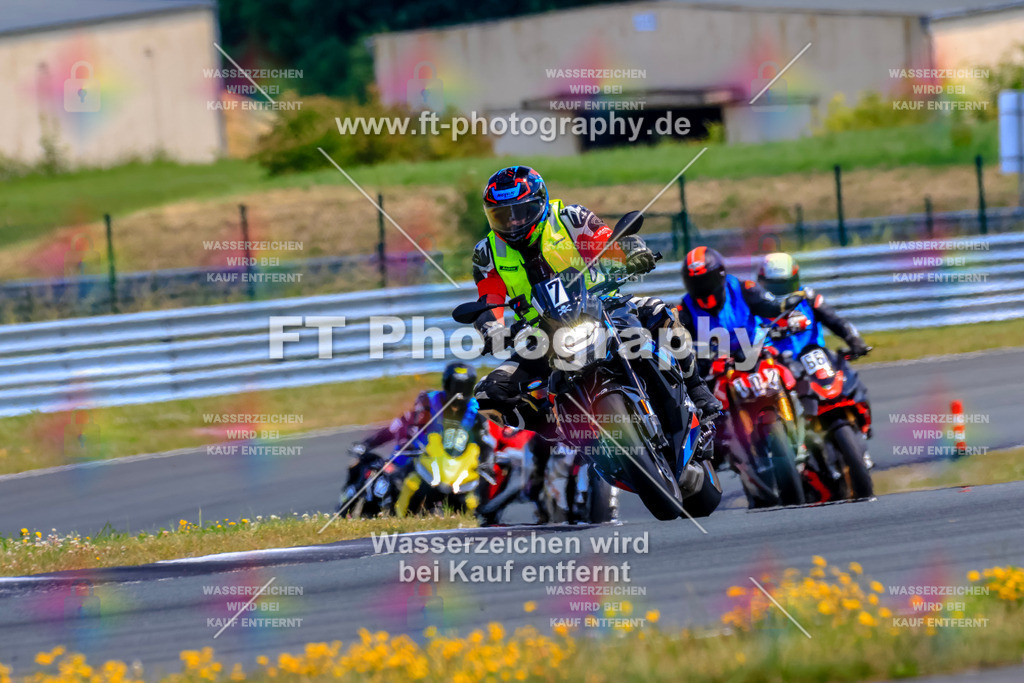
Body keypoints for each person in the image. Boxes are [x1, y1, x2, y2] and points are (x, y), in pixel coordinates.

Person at [471, 165, 720, 434]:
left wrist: (632, 251)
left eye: (520, 212)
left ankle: (697, 389)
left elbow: (608, 242)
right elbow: (488, 300)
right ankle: (566, 433)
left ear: (539, 204)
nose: (513, 223)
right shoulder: (488, 252)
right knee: (489, 394)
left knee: (660, 313)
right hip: (542, 334)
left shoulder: (569, 219)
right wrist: (492, 330)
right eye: (502, 217)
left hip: (603, 307)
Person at [757, 252, 873, 468]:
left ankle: (861, 427)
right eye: (775, 285)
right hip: (780, 366)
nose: (782, 290)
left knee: (845, 371)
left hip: (814, 358)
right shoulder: (756, 308)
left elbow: (836, 321)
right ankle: (789, 447)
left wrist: (855, 340)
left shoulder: (808, 298)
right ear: (763, 283)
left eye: (786, 283)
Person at [340, 362, 492, 508]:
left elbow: (485, 442)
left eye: (464, 388)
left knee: (479, 490)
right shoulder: (429, 401)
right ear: (446, 384)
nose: (459, 393)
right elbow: (395, 427)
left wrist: (486, 464)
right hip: (410, 460)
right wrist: (367, 444)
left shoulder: (476, 411)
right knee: (368, 468)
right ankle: (347, 506)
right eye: (455, 387)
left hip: (452, 469)